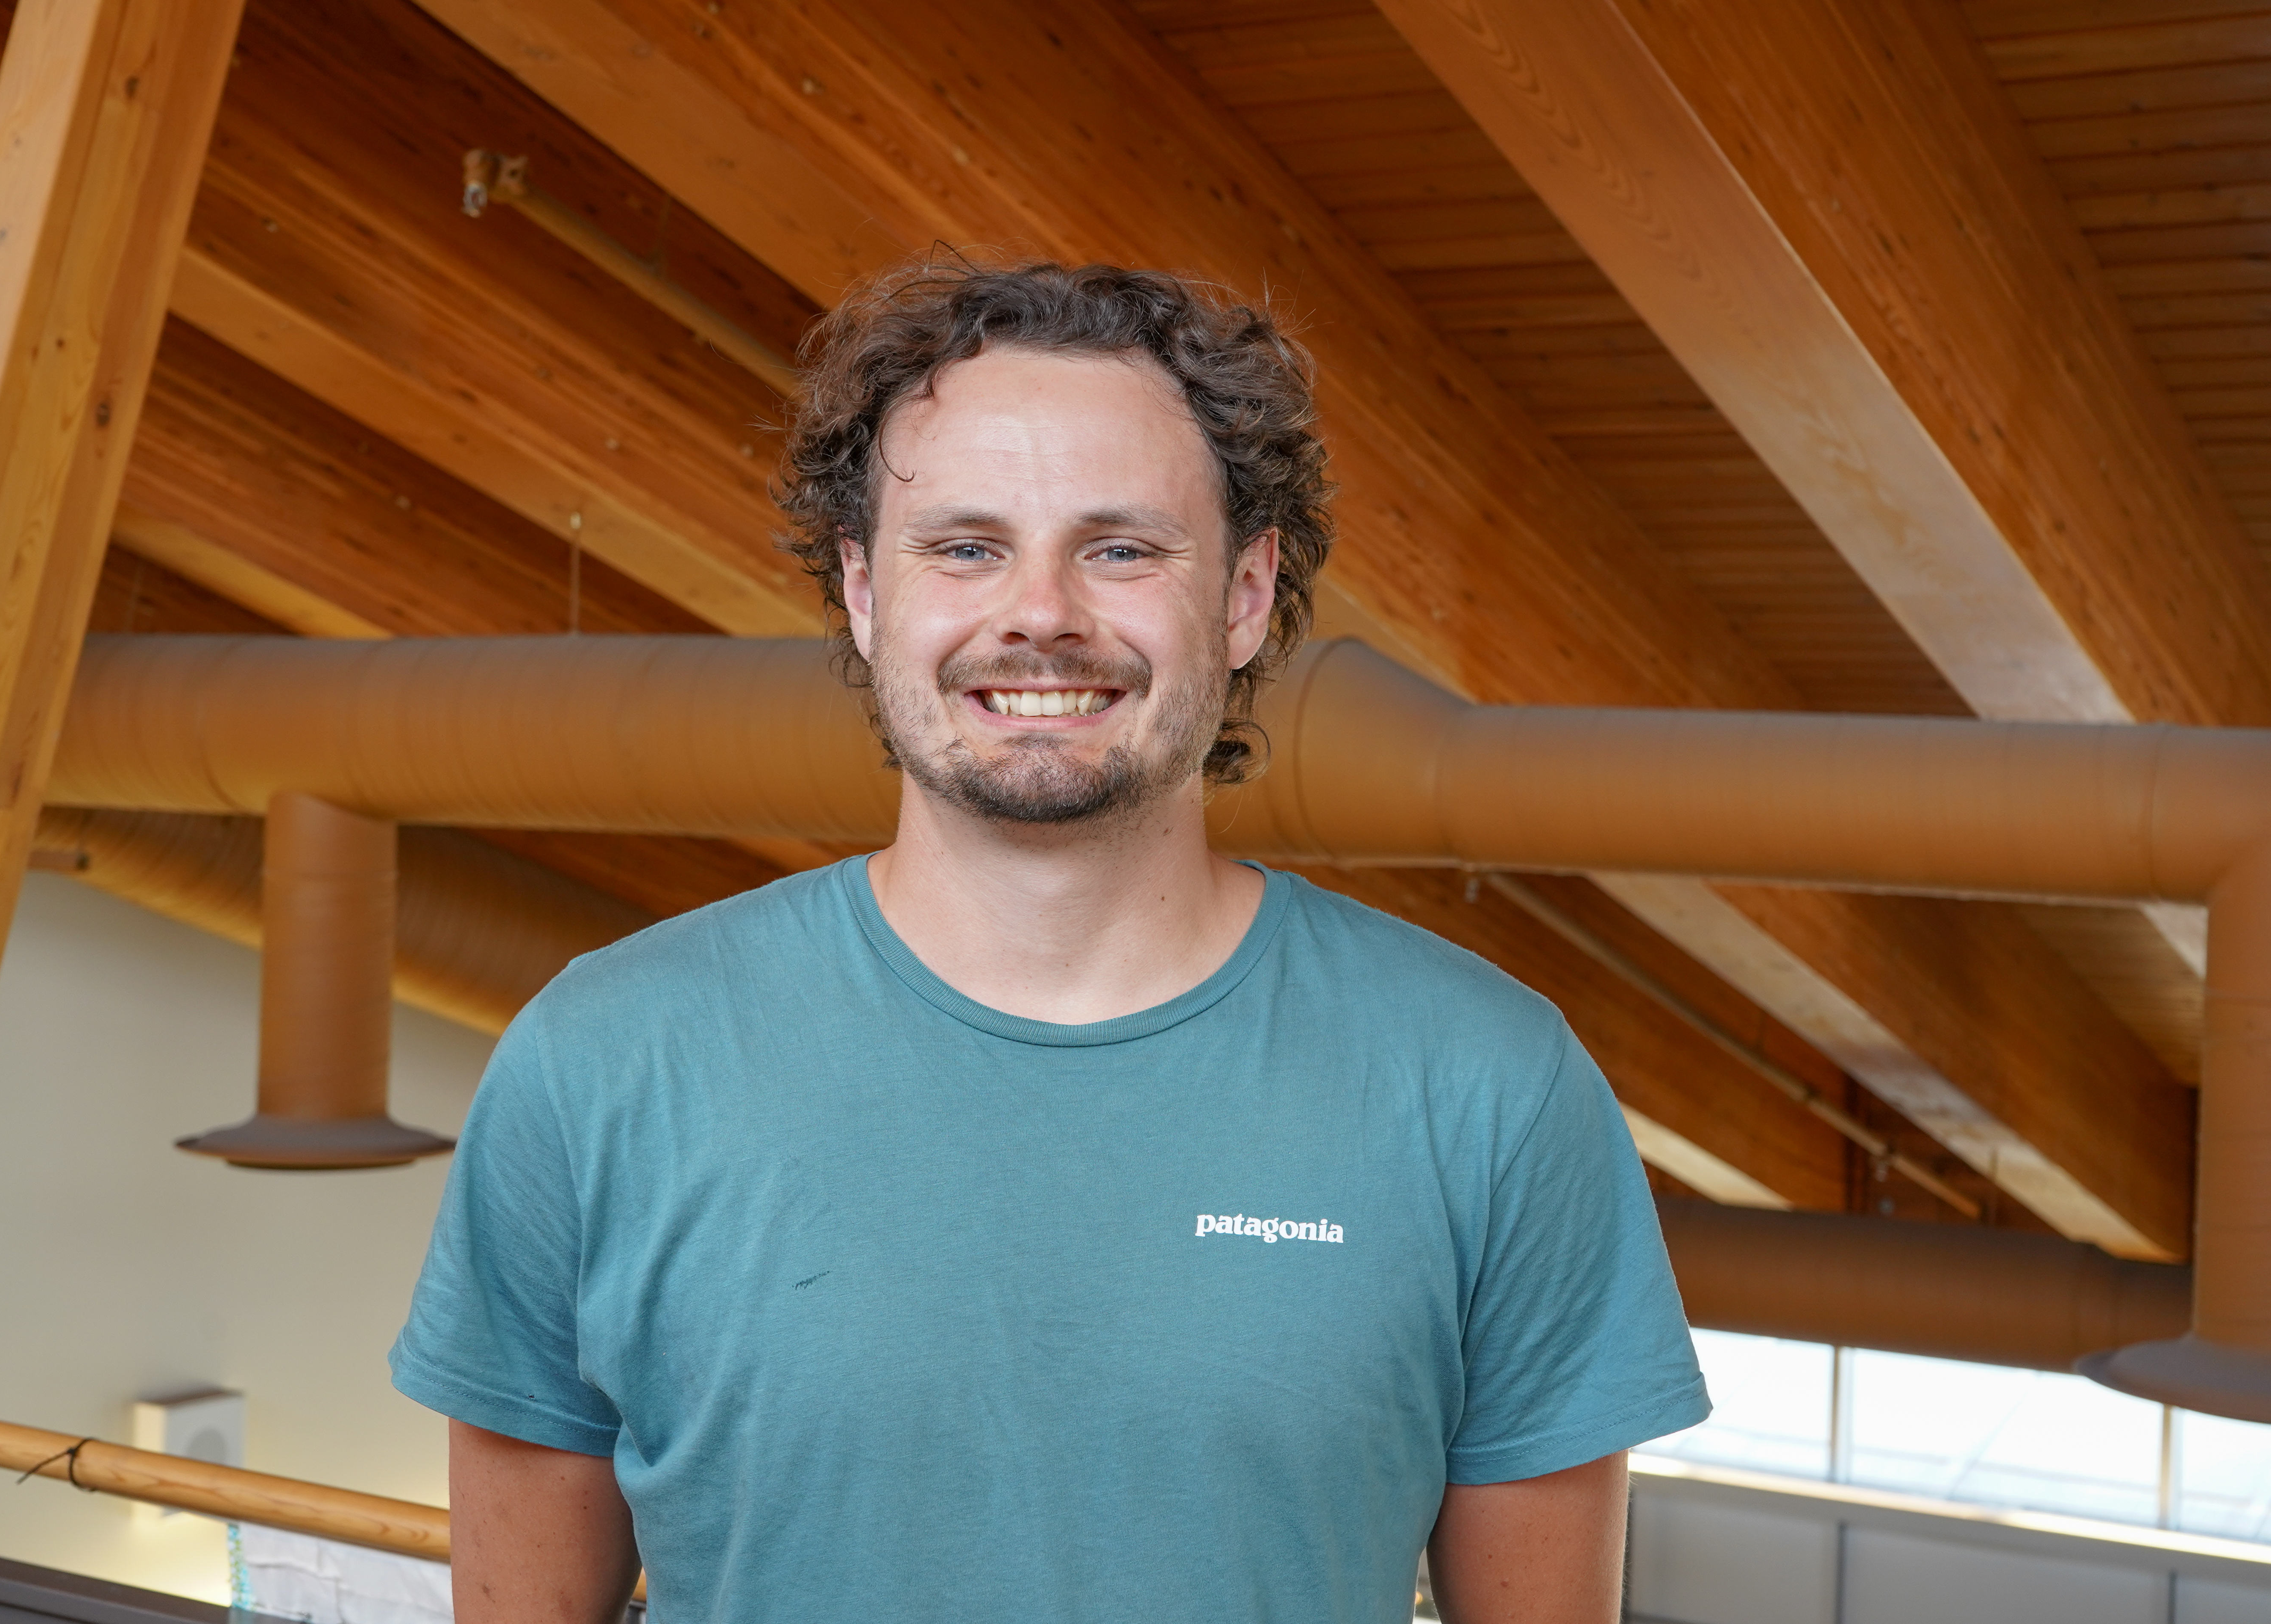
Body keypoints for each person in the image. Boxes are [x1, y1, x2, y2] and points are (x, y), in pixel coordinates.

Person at [390, 260, 1708, 1624]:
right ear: (860, 590)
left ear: (1247, 593)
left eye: (1121, 547)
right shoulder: (601, 1059)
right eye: (964, 546)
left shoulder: (1488, 1084)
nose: (1039, 613)